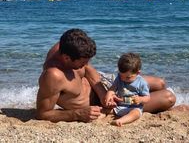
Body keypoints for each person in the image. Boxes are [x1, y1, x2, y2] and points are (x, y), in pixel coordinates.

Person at [36, 28, 176, 123]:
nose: (86, 64)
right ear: (66, 58)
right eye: (83, 62)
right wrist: (77, 114)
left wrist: (105, 94)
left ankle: (156, 107)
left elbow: (89, 71)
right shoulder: (53, 76)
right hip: (109, 107)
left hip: (104, 86)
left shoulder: (64, 45)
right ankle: (160, 107)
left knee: (160, 83)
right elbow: (43, 114)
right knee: (168, 97)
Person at [105, 53, 150, 126]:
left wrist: (140, 99)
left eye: (128, 77)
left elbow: (147, 98)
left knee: (136, 113)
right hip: (118, 106)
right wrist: (108, 96)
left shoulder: (141, 82)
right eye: (121, 75)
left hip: (133, 107)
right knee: (104, 109)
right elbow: (112, 89)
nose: (123, 79)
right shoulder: (120, 77)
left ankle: (121, 121)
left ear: (138, 73)